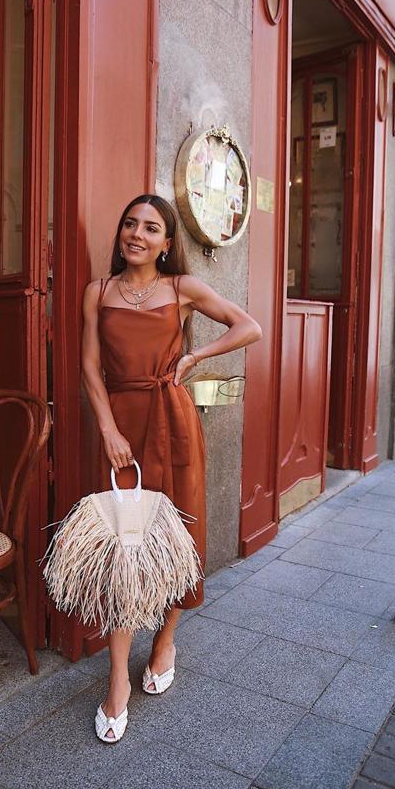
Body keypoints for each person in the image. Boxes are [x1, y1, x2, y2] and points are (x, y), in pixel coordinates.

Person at [81, 194, 262, 742]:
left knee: (180, 534)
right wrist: (108, 430)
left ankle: (165, 639)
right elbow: (89, 367)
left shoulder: (181, 289)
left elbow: (247, 326)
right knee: (123, 545)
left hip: (174, 422)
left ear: (166, 242)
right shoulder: (99, 291)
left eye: (151, 227)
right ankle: (117, 676)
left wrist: (194, 357)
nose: (137, 233)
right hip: (123, 429)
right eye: (130, 223)